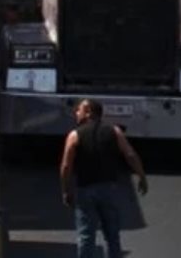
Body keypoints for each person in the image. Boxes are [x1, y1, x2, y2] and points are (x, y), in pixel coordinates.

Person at [60, 99, 149, 258]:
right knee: (112, 235)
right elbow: (130, 154)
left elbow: (66, 166)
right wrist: (141, 176)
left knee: (86, 235)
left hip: (85, 189)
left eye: (78, 110)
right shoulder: (114, 131)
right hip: (109, 189)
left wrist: (67, 190)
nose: (76, 113)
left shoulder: (74, 135)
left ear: (88, 112)